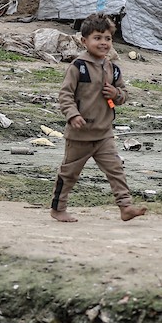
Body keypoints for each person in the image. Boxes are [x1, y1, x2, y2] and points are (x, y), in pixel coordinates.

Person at [51, 12, 146, 223]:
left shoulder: (113, 69)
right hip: (79, 135)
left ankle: (125, 206)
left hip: (104, 134)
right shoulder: (78, 67)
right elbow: (65, 95)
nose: (103, 43)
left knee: (116, 170)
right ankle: (58, 208)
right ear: (84, 41)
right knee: (69, 174)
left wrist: (116, 94)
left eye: (107, 38)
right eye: (97, 38)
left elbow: (123, 95)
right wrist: (73, 115)